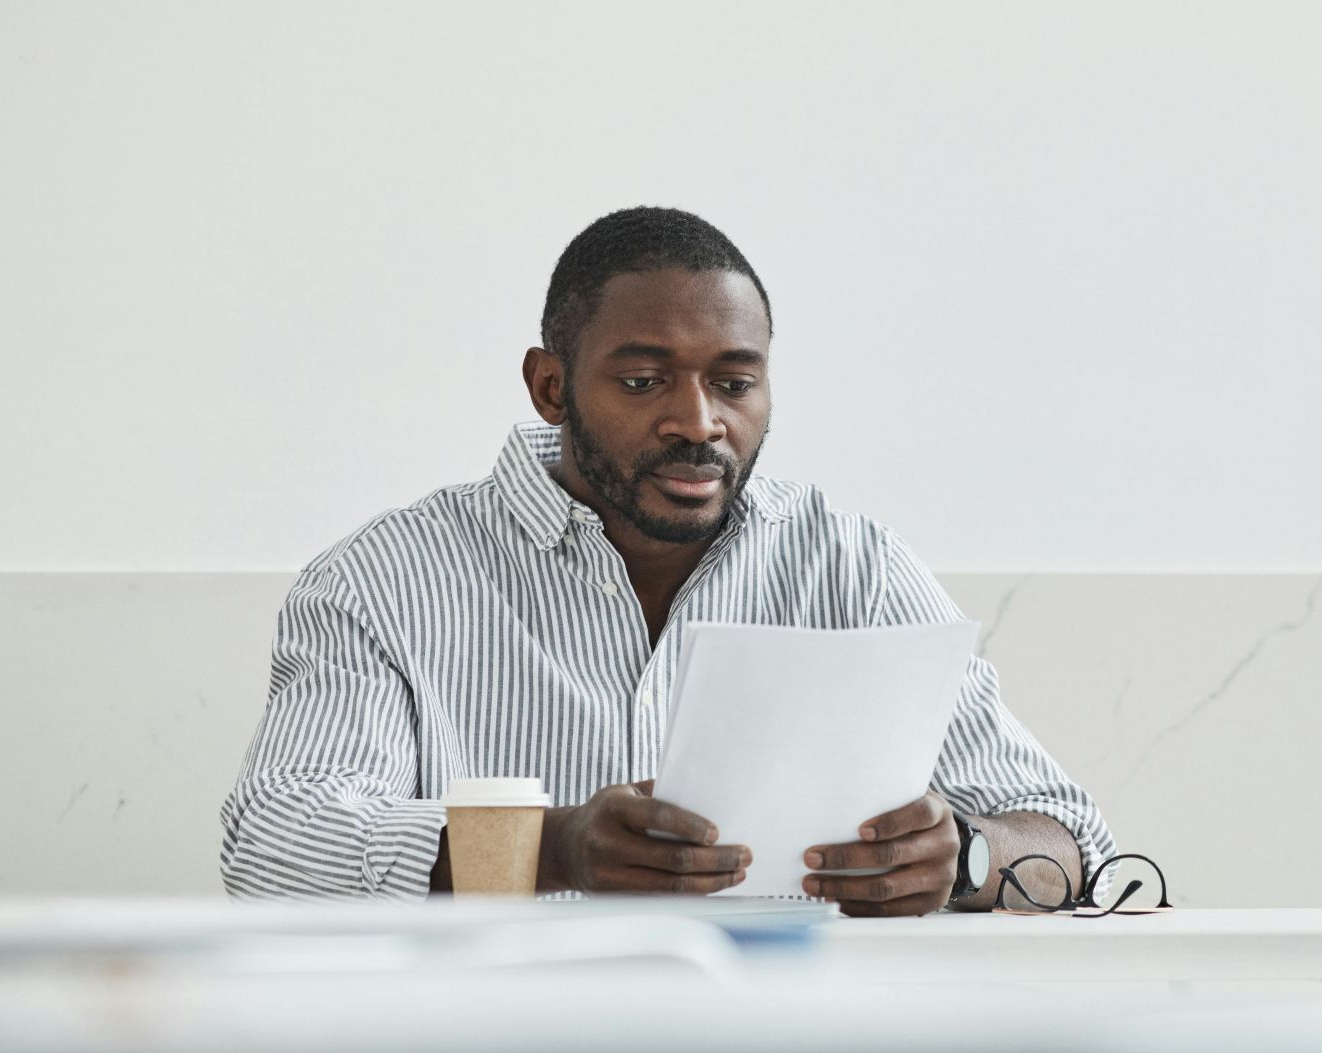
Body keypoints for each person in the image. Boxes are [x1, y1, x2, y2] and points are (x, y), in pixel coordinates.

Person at [219, 207, 1115, 915]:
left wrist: (969, 854)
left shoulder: (853, 566)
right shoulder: (381, 582)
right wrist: (551, 849)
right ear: (551, 386)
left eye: (734, 382)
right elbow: (275, 843)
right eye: (644, 381)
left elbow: (1076, 838)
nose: (699, 422)